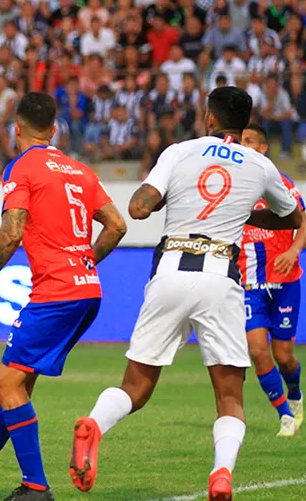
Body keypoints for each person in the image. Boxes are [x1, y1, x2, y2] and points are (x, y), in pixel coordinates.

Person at [70, 87, 303, 500]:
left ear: (208, 118)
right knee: (230, 397)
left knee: (135, 388)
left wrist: (166, 198)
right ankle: (220, 476)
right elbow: (292, 218)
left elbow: (140, 207)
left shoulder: (180, 151)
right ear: (243, 123)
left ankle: (95, 424)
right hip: (221, 276)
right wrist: (246, 210)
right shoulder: (260, 164)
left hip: (171, 270)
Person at [0, 93, 127, 501]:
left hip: (56, 291)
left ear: (15, 128)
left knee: (5, 381)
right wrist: (86, 259)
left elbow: (12, 231)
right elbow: (117, 225)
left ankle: (36, 486)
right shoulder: (78, 170)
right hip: (87, 289)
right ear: (54, 129)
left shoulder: (21, 166)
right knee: (19, 381)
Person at [238, 124, 304, 435]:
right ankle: (285, 417)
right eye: (241, 141)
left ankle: (295, 393)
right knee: (258, 351)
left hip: (285, 281)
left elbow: (303, 222)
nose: (244, 146)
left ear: (263, 149)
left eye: (249, 141)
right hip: (250, 283)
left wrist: (293, 249)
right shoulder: (234, 187)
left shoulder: (281, 184)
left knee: (284, 356)